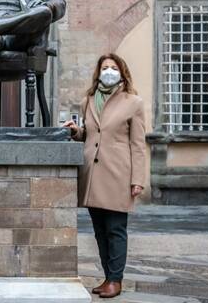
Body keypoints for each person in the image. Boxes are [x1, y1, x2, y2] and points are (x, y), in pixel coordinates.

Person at [64, 53, 147, 298]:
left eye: (113, 67)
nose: (108, 71)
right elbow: (90, 134)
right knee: (99, 230)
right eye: (104, 67)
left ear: (121, 72)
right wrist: (76, 131)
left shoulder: (133, 102)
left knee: (115, 229)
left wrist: (138, 180)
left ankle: (115, 279)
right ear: (98, 72)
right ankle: (107, 277)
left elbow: (138, 145)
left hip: (118, 174)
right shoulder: (88, 100)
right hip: (92, 174)